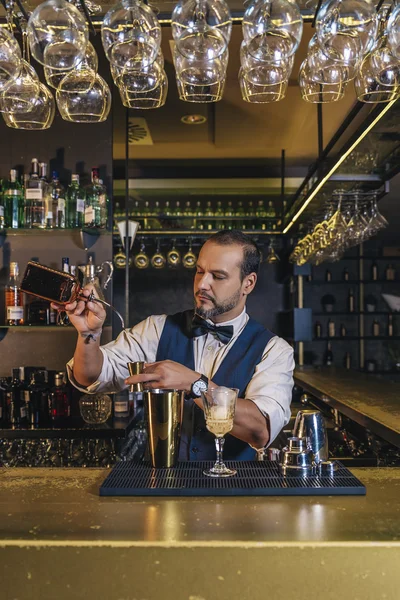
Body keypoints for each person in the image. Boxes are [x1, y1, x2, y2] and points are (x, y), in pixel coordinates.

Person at [60, 230, 294, 460]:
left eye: (218, 276)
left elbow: (261, 430)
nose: (202, 284)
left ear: (248, 284)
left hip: (235, 489)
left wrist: (195, 384)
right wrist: (89, 335)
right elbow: (89, 377)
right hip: (163, 484)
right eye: (199, 272)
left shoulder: (273, 350)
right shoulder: (157, 329)